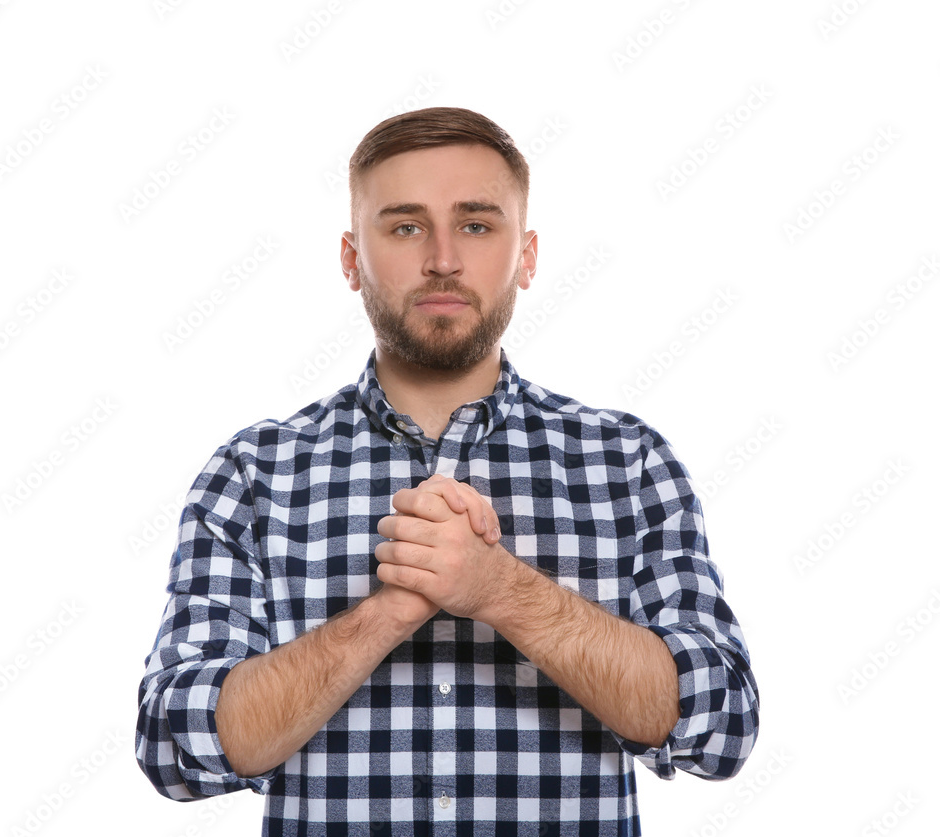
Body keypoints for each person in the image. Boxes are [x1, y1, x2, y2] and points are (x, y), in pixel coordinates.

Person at [136, 106, 759, 835]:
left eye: (476, 224)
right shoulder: (253, 473)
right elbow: (176, 744)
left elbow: (721, 724)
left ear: (526, 256)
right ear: (350, 258)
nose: (441, 258)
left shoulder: (629, 463)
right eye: (404, 226)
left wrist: (500, 589)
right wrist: (385, 612)